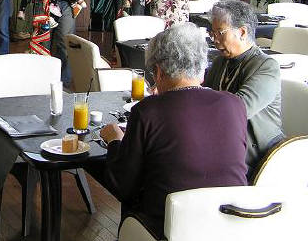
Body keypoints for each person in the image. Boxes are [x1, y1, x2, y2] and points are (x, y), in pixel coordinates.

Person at [101, 23, 248, 238]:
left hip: (172, 229)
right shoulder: (235, 104)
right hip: (231, 226)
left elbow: (122, 186)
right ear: (202, 70)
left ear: (159, 72)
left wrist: (115, 141)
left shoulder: (147, 111)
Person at [205, 1, 284, 173]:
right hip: (225, 148)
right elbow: (202, 95)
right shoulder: (220, 62)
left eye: (220, 33)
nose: (215, 39)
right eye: (213, 33)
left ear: (242, 32)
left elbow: (238, 109)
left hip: (260, 159)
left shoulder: (266, 66)